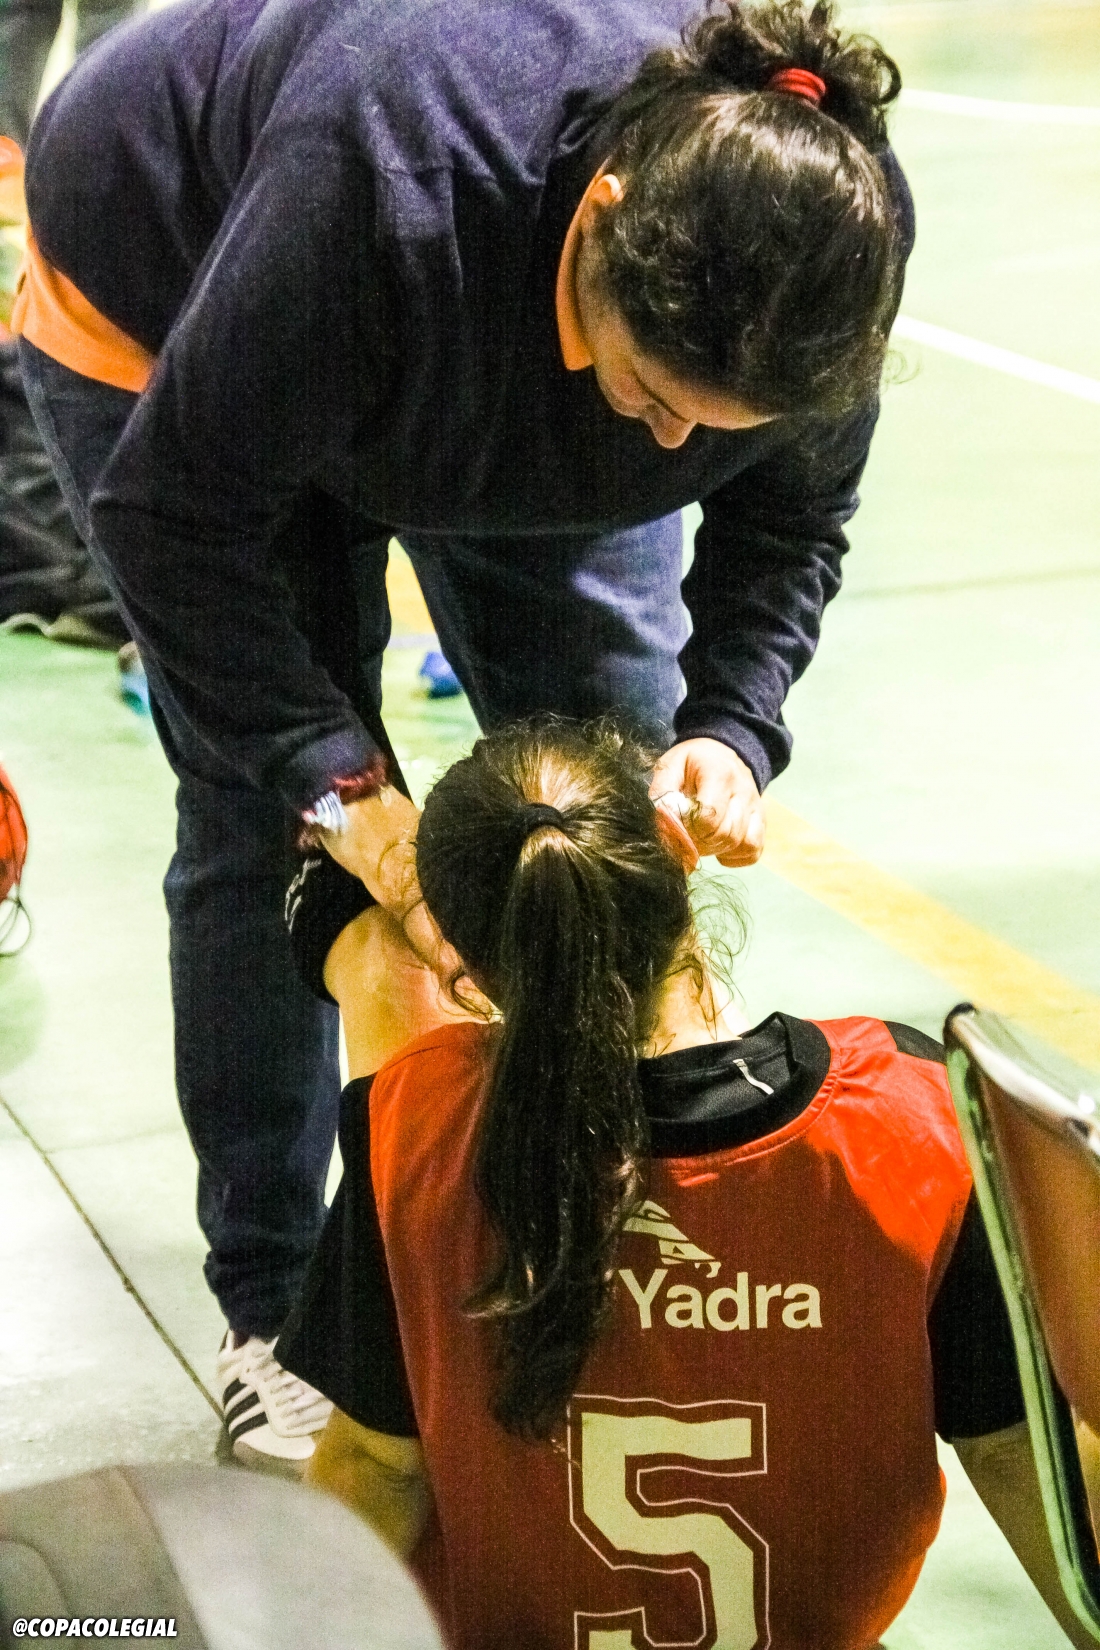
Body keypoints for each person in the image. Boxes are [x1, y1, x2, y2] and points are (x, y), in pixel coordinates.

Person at [14, 0, 913, 1468]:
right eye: (658, 397)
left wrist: (734, 727)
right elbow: (172, 520)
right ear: (603, 219)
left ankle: (618, 1220)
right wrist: (339, 785)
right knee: (265, 827)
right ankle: (275, 1304)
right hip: (167, 291)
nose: (680, 447)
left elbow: (792, 513)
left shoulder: (823, 232)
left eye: (718, 424)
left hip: (452, 357)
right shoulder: (384, 189)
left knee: (608, 808)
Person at [278, 719, 1100, 1650]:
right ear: (679, 858)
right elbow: (1018, 1454)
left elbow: (372, 1472)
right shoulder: (910, 1124)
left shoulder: (410, 1129)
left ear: (465, 972)